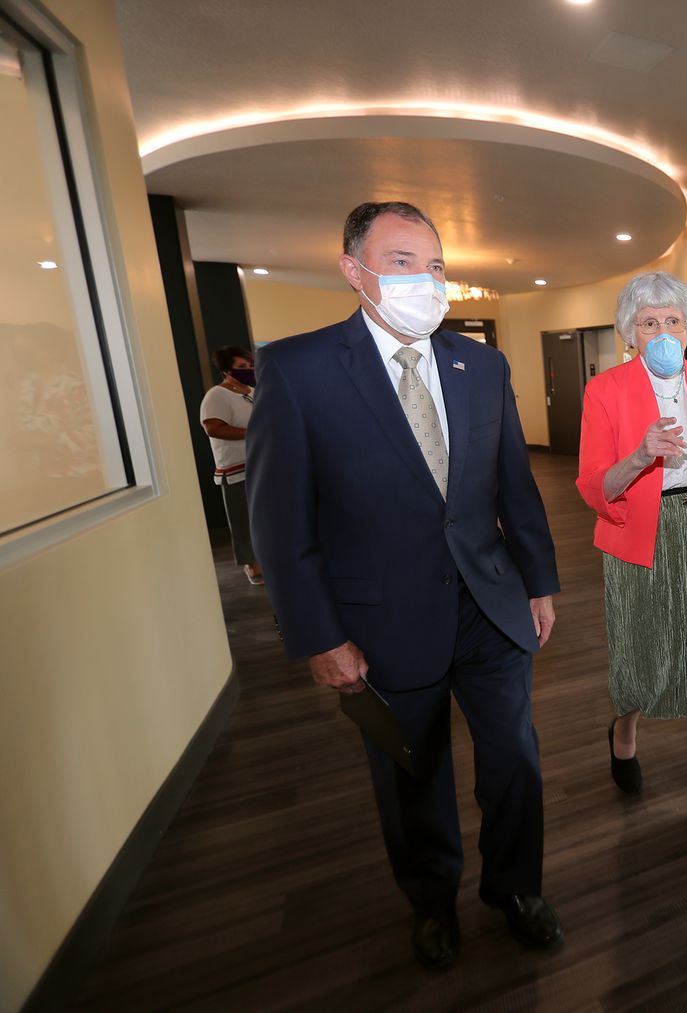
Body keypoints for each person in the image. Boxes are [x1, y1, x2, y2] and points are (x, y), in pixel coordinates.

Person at [246, 201, 562, 971]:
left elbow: (515, 487)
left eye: (436, 264)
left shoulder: (482, 366)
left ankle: (516, 886)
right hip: (381, 621)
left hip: (489, 605)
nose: (427, 280)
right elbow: (280, 524)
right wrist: (320, 636)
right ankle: (432, 899)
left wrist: (539, 582)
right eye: (402, 262)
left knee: (515, 761)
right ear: (354, 271)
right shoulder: (298, 370)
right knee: (411, 774)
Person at [576, 271, 687, 849]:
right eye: (649, 322)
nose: (662, 331)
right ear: (630, 333)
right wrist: (640, 456)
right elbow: (594, 485)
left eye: (672, 320)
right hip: (636, 532)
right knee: (641, 655)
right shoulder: (605, 390)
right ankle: (624, 732)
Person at [199, 345, 261, 584]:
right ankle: (252, 564)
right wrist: (253, 433)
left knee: (264, 516)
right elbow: (213, 428)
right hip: (236, 467)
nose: (249, 369)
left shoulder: (253, 391)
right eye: (242, 366)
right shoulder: (217, 395)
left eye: (250, 365)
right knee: (243, 517)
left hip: (260, 462)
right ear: (227, 370)